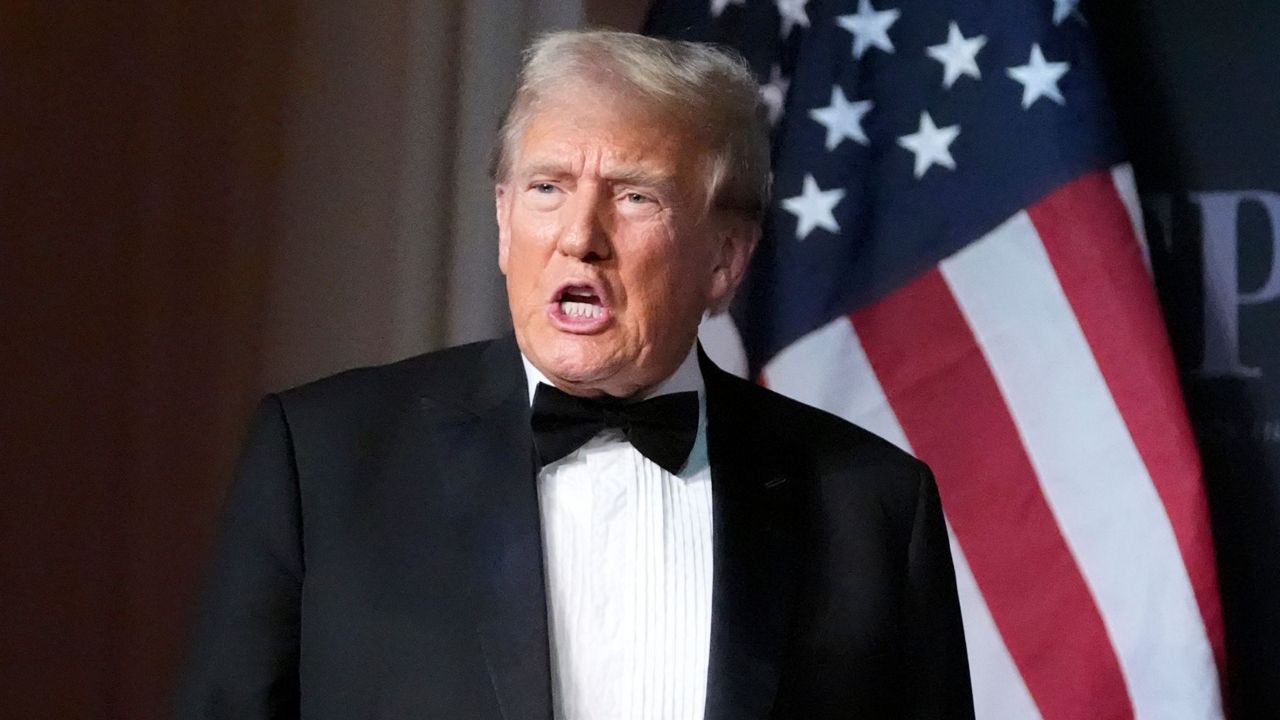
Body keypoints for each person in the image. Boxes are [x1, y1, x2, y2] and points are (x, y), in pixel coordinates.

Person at [175, 30, 973, 720]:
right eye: (548, 188)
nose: (580, 237)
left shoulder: (870, 509)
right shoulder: (321, 461)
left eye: (635, 197)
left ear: (725, 259)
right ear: (501, 219)